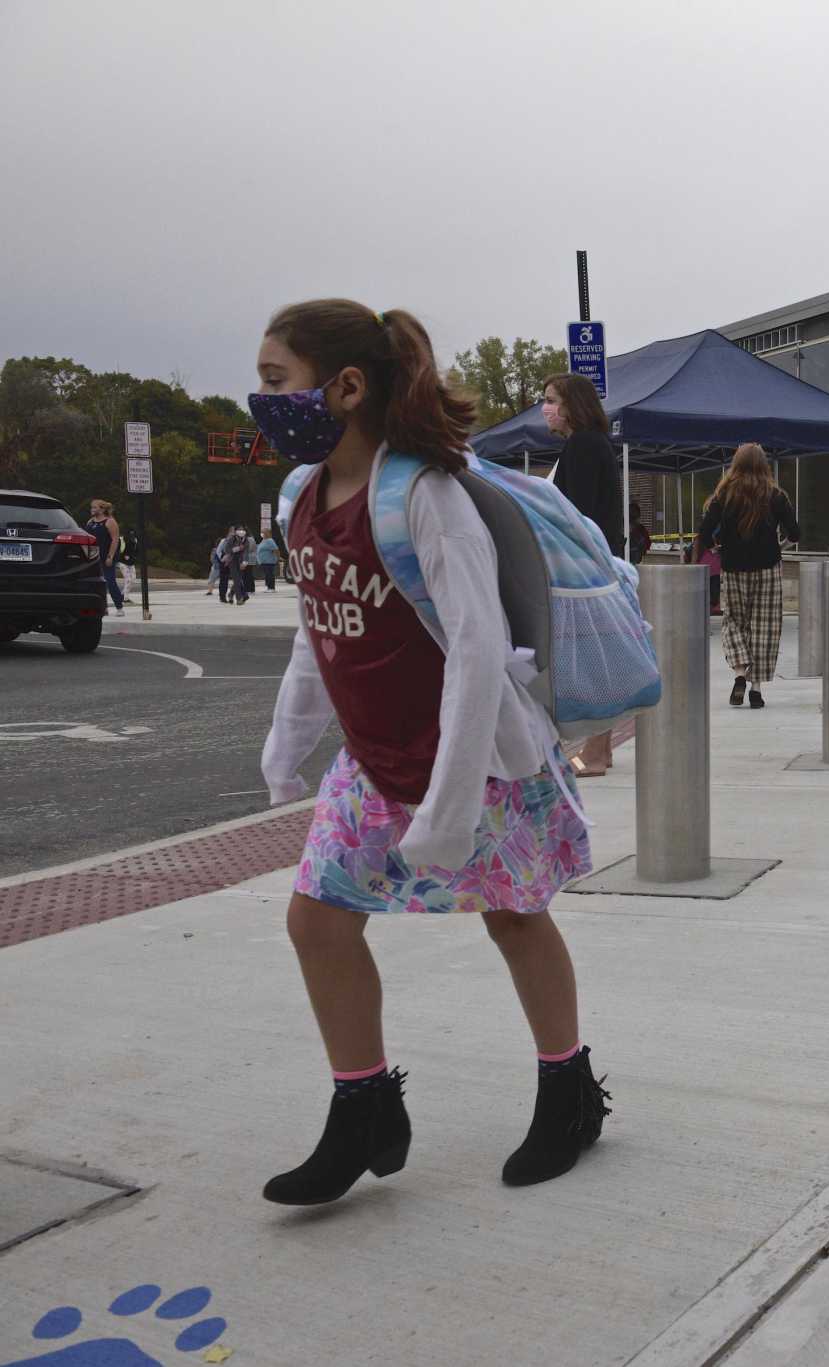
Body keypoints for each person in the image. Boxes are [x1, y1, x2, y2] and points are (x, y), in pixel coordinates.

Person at [254, 298, 607, 1206]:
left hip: (475, 756)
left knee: (514, 914)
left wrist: (450, 808)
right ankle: (364, 1106)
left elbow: (480, 649)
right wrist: (287, 745)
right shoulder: (302, 495)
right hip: (370, 759)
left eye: (274, 381)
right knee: (316, 920)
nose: (262, 401)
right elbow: (316, 629)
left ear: (346, 387)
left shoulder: (425, 495)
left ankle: (570, 1091)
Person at [542, 372, 622, 775]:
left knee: (590, 663)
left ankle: (594, 752)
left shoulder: (584, 446)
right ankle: (598, 749)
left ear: (573, 404)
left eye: (553, 400)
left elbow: (580, 518)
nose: (546, 408)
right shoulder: (587, 445)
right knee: (595, 661)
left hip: (585, 573)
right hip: (591, 568)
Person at [698, 443, 798, 707]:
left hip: (733, 568)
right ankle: (756, 689)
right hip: (768, 567)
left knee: (733, 621)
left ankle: (740, 674)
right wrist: (780, 547)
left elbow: (704, 532)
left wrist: (716, 549)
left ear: (736, 464)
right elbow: (795, 533)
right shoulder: (776, 495)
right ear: (763, 464)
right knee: (764, 627)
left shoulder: (724, 494)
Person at [87, 499, 124, 615]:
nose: (92, 510)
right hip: (93, 557)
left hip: (106, 556)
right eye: (91, 507)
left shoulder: (110, 522)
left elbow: (115, 540)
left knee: (110, 581)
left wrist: (110, 556)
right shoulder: (90, 522)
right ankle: (103, 607)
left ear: (102, 509)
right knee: (96, 584)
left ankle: (119, 607)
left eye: (95, 507)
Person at [627, 500, 653, 566]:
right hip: (635, 561)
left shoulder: (641, 529)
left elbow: (647, 544)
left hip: (634, 560)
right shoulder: (641, 529)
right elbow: (647, 544)